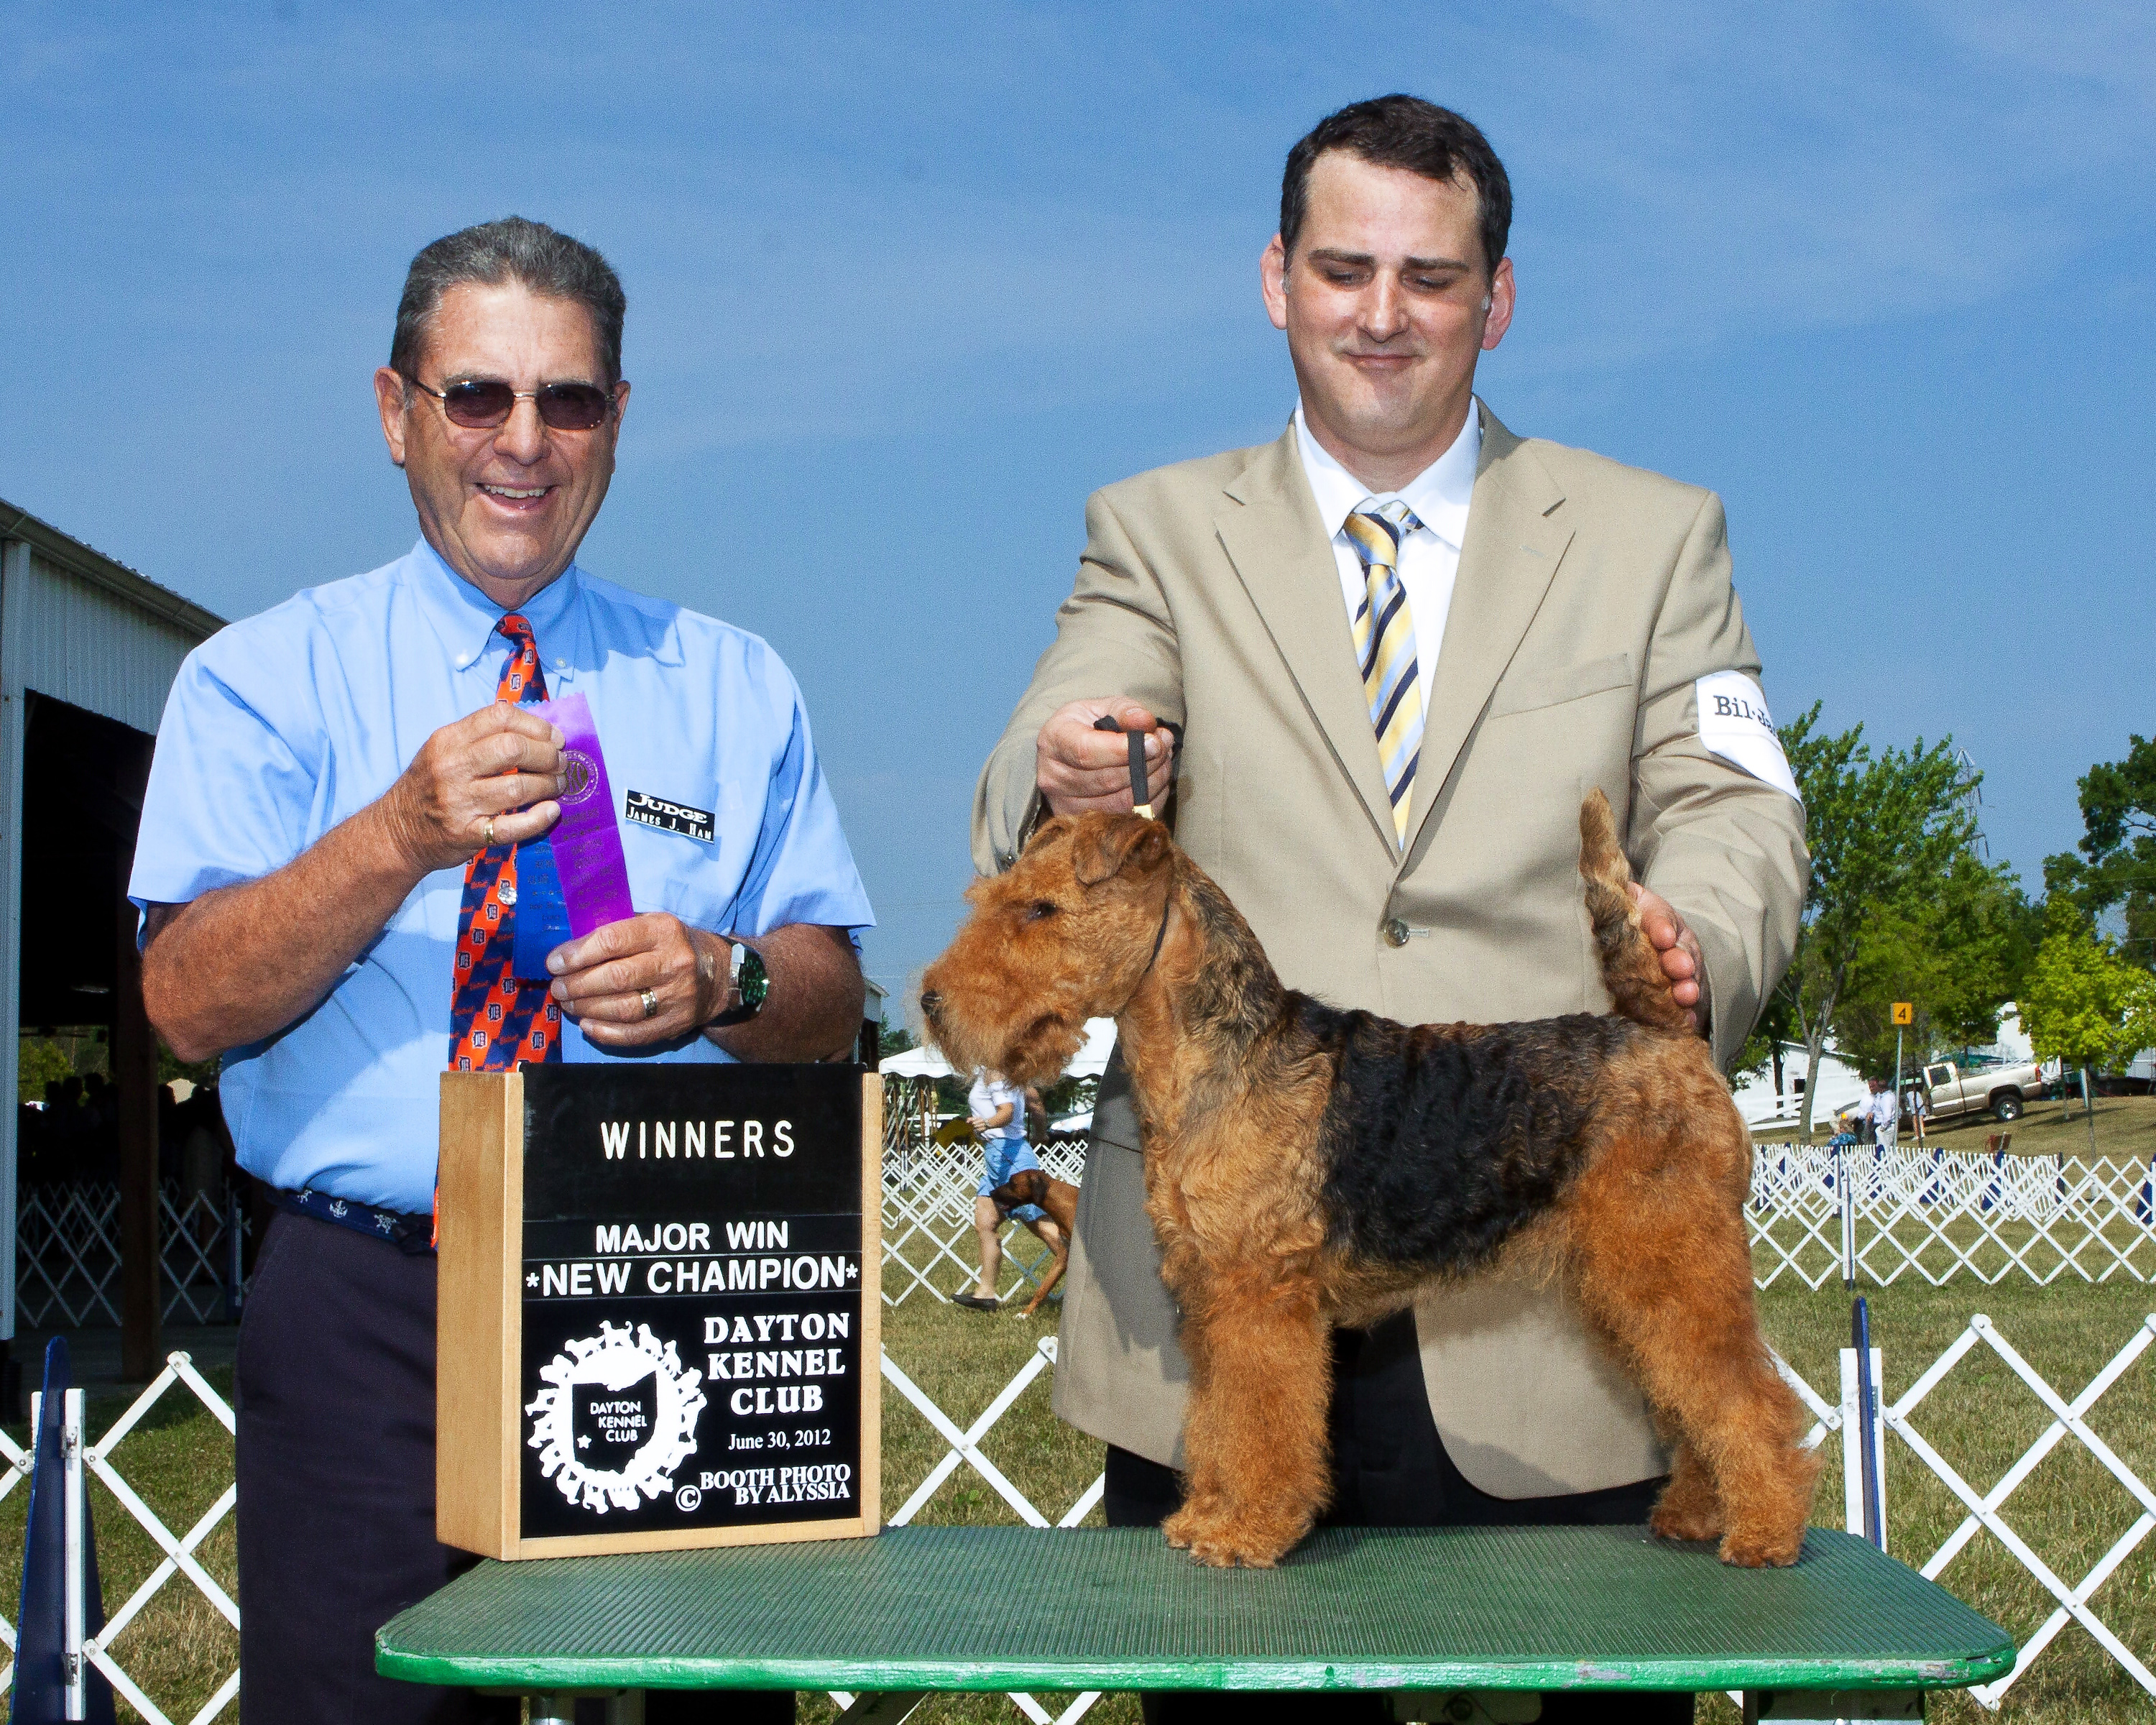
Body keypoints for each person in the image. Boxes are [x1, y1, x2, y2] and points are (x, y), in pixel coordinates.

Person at [971, 96, 1806, 1723]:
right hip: (1206, 1325)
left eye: (1428, 277)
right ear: (1272, 279)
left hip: (1552, 1354)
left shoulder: (1651, 534)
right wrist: (1065, 767)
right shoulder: (1150, 528)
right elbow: (1059, 718)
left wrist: (1696, 927)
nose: (1380, 312)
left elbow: (1736, 799)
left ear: (1494, 299)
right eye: (1342, 267)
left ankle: (1736, 1460)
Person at [130, 216, 872, 1725]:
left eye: (569, 400)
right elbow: (184, 1005)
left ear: (616, 425)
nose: (522, 443)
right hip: (369, 1306)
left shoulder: (734, 681)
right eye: (477, 397)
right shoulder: (262, 681)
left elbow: (832, 1001)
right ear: (397, 412)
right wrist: (396, 833)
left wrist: (723, 978)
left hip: (670, 1282)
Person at [955, 1067, 1063, 1310]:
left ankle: (1083, 1271)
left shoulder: (996, 1072)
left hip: (1007, 1157)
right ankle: (985, 1294)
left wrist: (987, 1123)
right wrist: (1040, 1133)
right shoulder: (1016, 1074)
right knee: (985, 1223)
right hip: (1000, 1154)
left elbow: (1007, 1111)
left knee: (1041, 1225)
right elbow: (1034, 1101)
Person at [1856, 1076, 1901, 1151]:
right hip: (1882, 1125)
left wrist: (1883, 1127)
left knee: (1884, 1149)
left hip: (1885, 1127)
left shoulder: (1886, 1098)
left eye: (1874, 1086)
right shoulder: (1889, 1096)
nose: (1872, 1088)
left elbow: (1887, 1116)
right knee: (1884, 1148)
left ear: (1880, 1088)